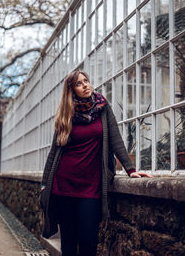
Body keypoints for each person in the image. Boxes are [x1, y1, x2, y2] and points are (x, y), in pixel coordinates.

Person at [39, 70, 152, 256]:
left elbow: (116, 140)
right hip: (64, 185)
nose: (85, 85)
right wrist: (45, 184)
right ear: (71, 90)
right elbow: (54, 153)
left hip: (91, 187)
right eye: (79, 83)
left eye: (86, 81)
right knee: (68, 243)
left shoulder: (102, 107)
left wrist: (130, 169)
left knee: (88, 241)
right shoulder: (66, 115)